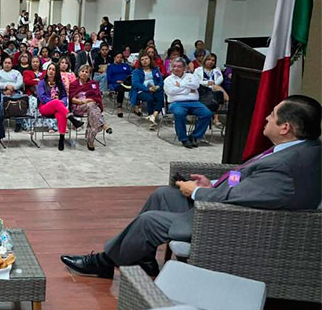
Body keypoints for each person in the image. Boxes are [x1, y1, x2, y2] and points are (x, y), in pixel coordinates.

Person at [61, 95, 322, 278]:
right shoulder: (299, 150)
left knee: (149, 221)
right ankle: (143, 257)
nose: (266, 117)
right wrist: (214, 183)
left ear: (286, 127)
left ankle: (106, 262)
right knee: (163, 195)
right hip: (225, 204)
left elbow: (246, 197)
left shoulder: (287, 166)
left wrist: (197, 192)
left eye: (273, 115)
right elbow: (248, 182)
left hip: (229, 223)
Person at [164, 58, 212, 148]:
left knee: (207, 113)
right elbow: (171, 92)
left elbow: (196, 86)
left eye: (179, 66)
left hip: (194, 102)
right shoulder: (168, 80)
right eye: (174, 66)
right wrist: (187, 89)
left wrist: (180, 86)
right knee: (179, 113)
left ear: (184, 68)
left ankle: (195, 136)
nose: (176, 68)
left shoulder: (191, 76)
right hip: (176, 102)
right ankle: (183, 139)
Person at [70, 64, 112, 151]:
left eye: (87, 72)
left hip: (91, 107)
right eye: (82, 71)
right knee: (92, 107)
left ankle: (90, 140)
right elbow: (72, 99)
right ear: (78, 72)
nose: (84, 73)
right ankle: (103, 124)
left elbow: (97, 97)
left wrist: (89, 101)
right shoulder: (74, 84)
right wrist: (82, 101)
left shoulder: (93, 83)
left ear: (89, 74)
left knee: (92, 109)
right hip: (78, 107)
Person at [37, 62, 69, 151]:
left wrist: (61, 102)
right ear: (46, 71)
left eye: (53, 69)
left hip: (58, 107)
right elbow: (42, 97)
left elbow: (64, 96)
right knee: (56, 103)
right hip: (44, 107)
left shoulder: (59, 83)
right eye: (49, 69)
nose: (51, 71)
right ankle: (71, 117)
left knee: (61, 114)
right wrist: (55, 101)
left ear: (56, 72)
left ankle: (61, 139)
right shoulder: (42, 83)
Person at [130, 54, 164, 129]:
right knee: (150, 98)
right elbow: (135, 83)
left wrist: (158, 86)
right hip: (141, 90)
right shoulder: (137, 71)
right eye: (142, 59)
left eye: (146, 59)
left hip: (155, 89)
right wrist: (148, 89)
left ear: (150, 60)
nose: (145, 61)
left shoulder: (156, 70)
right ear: (140, 61)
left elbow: (161, 81)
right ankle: (152, 118)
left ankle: (153, 116)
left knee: (160, 97)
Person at [193, 52, 227, 128]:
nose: (211, 62)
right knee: (219, 91)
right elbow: (196, 81)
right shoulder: (198, 70)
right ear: (205, 60)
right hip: (202, 90)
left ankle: (216, 118)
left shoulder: (216, 70)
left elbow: (220, 79)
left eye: (213, 60)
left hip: (214, 89)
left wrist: (213, 84)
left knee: (219, 94)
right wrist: (207, 83)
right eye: (209, 59)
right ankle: (229, 102)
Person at [107, 53, 133, 117]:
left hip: (126, 83)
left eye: (121, 57)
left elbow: (130, 75)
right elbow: (108, 78)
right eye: (118, 57)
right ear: (114, 58)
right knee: (121, 90)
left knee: (135, 88)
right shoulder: (111, 67)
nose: (119, 59)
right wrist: (116, 81)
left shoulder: (125, 65)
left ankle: (136, 107)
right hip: (115, 83)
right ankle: (119, 108)